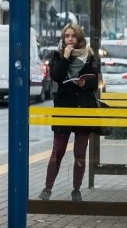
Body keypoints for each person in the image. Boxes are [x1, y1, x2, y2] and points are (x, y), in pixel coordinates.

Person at [38, 22, 99, 202]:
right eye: (67, 36)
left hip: (83, 108)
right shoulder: (58, 54)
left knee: (80, 152)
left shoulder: (89, 56)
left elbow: (95, 82)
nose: (70, 39)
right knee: (57, 151)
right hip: (64, 106)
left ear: (79, 38)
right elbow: (56, 76)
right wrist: (65, 58)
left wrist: (84, 83)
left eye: (73, 36)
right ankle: (47, 188)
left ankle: (76, 190)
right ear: (63, 38)